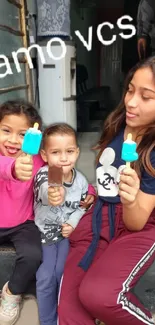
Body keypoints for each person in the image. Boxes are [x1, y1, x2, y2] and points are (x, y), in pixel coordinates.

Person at [55, 56, 155, 325]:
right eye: (131, 90)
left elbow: (136, 222)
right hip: (100, 214)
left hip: (139, 223)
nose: (131, 102)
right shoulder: (119, 125)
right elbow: (103, 179)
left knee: (99, 295)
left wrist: (131, 199)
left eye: (147, 97)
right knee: (69, 309)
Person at [34, 123, 96, 325]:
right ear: (44, 155)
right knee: (46, 277)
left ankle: (66, 317)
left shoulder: (80, 181)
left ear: (77, 152)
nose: (63, 158)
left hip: (67, 234)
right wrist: (54, 193)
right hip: (45, 235)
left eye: (69, 151)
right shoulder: (45, 174)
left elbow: (82, 205)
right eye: (55, 152)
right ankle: (48, 321)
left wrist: (73, 221)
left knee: (64, 272)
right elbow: (45, 191)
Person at [0, 99, 45, 325]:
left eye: (22, 134)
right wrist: (13, 168)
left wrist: (84, 192)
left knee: (33, 255)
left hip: (23, 223)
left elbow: (57, 176)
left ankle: (12, 292)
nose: (13, 140)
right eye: (6, 131)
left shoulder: (36, 159)